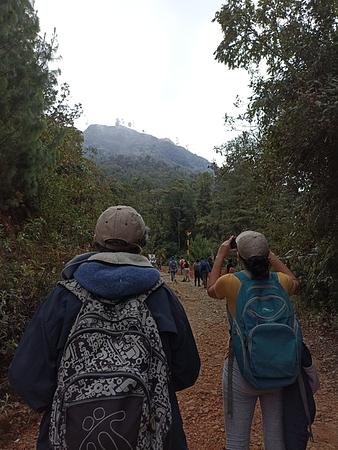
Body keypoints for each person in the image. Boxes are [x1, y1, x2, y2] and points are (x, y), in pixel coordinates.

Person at [9, 205, 200, 450]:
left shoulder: (64, 296)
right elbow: (187, 370)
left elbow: (26, 376)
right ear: (142, 244)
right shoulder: (161, 296)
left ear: (94, 242)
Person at [207, 231, 309, 450]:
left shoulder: (231, 282)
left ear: (239, 258)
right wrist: (269, 254)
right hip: (279, 369)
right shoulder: (281, 282)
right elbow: (296, 282)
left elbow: (210, 289)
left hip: (241, 371)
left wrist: (221, 253)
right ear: (266, 256)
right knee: (275, 439)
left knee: (237, 441)